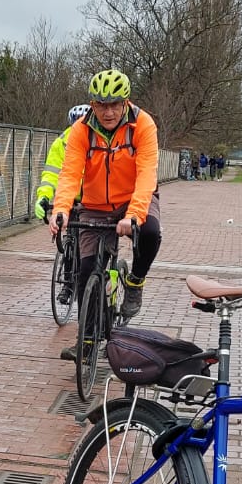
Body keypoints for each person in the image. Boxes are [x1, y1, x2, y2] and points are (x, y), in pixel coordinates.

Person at [49, 68, 161, 322]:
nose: (108, 112)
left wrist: (134, 215)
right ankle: (87, 341)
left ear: (125, 103)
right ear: (93, 105)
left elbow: (146, 174)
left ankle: (134, 282)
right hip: (95, 204)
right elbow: (69, 174)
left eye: (115, 105)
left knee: (151, 232)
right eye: (101, 106)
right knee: (87, 270)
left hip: (134, 198)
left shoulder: (142, 125)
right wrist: (61, 210)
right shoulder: (81, 130)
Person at [34, 103, 91, 221]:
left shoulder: (102, 142)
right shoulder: (60, 144)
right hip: (72, 199)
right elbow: (51, 173)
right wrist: (43, 196)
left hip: (97, 202)